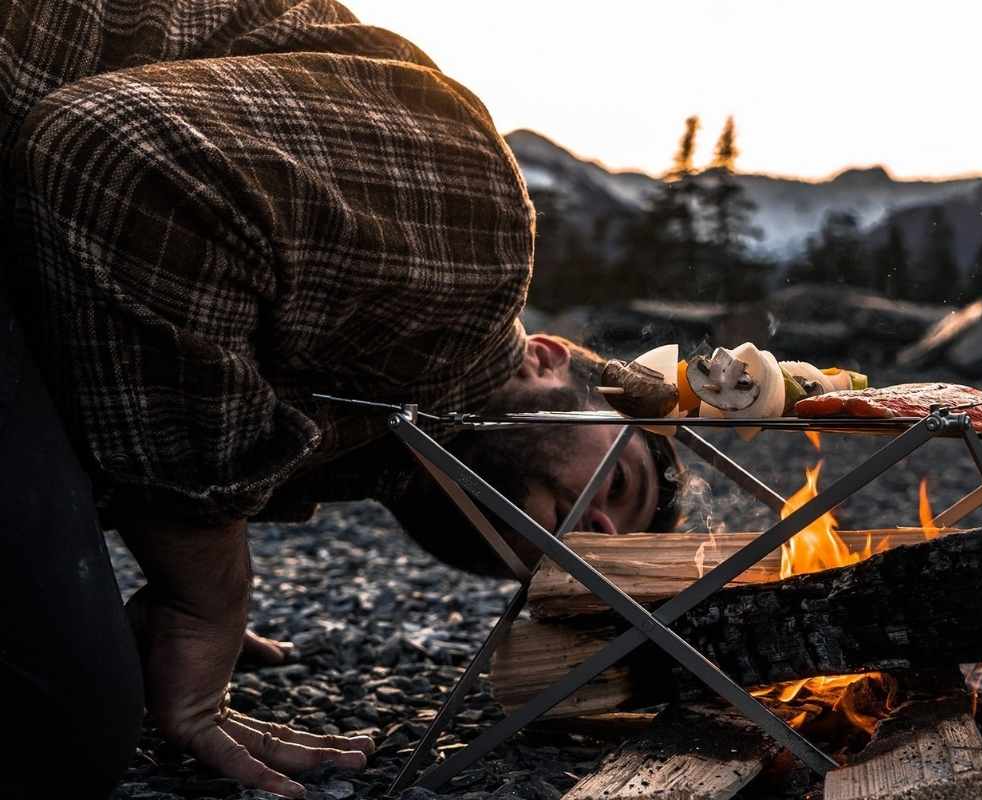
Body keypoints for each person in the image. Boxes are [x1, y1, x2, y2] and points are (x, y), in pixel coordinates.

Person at [0, 1, 680, 797]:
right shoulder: (479, 239)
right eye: (621, 485)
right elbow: (118, 155)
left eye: (599, 551)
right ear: (547, 359)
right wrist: (204, 594)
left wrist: (116, 582)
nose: (591, 535)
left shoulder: (362, 431)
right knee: (59, 723)